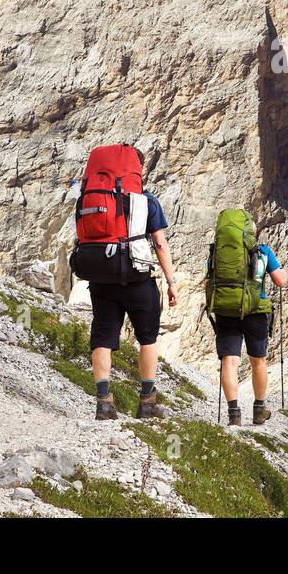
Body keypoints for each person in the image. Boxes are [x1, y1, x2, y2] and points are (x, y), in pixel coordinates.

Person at [89, 149, 178, 420]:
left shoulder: (91, 197)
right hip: (138, 278)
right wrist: (171, 282)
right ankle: (147, 403)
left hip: (101, 276)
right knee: (147, 337)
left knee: (103, 337)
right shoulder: (146, 201)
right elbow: (160, 244)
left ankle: (104, 403)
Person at [217, 242, 286, 426]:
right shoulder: (263, 250)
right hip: (255, 313)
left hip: (226, 311)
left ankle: (233, 415)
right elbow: (280, 280)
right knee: (258, 361)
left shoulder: (219, 248)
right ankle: (259, 410)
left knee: (229, 361)